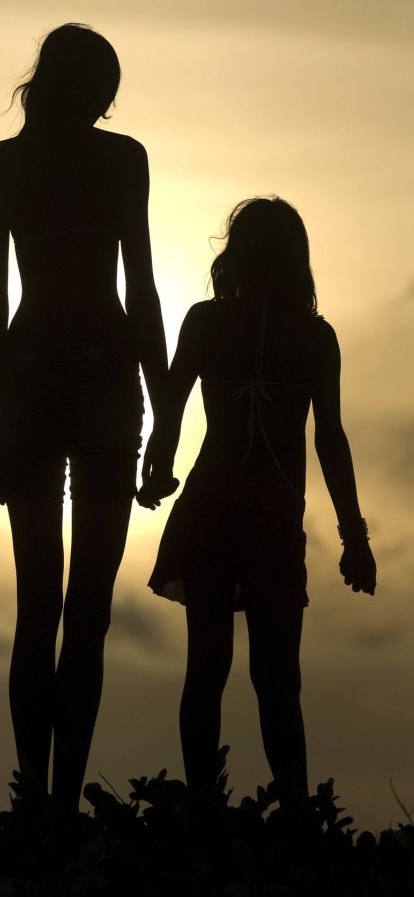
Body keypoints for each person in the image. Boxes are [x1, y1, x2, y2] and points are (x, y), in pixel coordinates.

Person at [0, 23, 168, 810]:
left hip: (30, 381)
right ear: (98, 90)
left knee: (40, 607)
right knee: (85, 611)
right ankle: (54, 805)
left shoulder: (7, 162)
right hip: (104, 380)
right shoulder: (123, 159)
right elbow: (141, 288)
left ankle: (37, 801)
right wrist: (166, 410)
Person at [138, 197, 377, 807]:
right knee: (277, 681)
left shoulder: (207, 322)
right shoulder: (315, 338)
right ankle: (294, 814)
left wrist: (157, 468)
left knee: (207, 669)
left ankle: (205, 811)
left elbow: (171, 406)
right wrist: (354, 539)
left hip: (211, 509)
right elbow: (330, 439)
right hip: (271, 517)